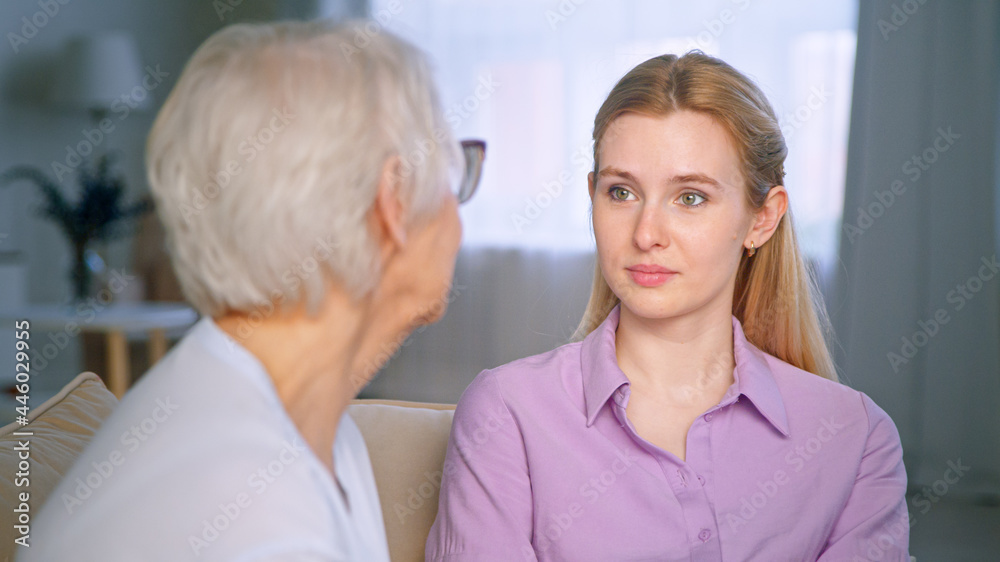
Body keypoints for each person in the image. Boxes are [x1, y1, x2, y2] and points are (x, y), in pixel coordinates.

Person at [24, 20, 484, 561]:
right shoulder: (255, 519)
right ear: (393, 204)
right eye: (455, 173)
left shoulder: (319, 433)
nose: (458, 214)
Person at [427, 52, 908, 561]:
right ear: (592, 199)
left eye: (690, 197)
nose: (646, 234)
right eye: (622, 192)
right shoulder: (508, 413)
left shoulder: (855, 439)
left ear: (762, 220)